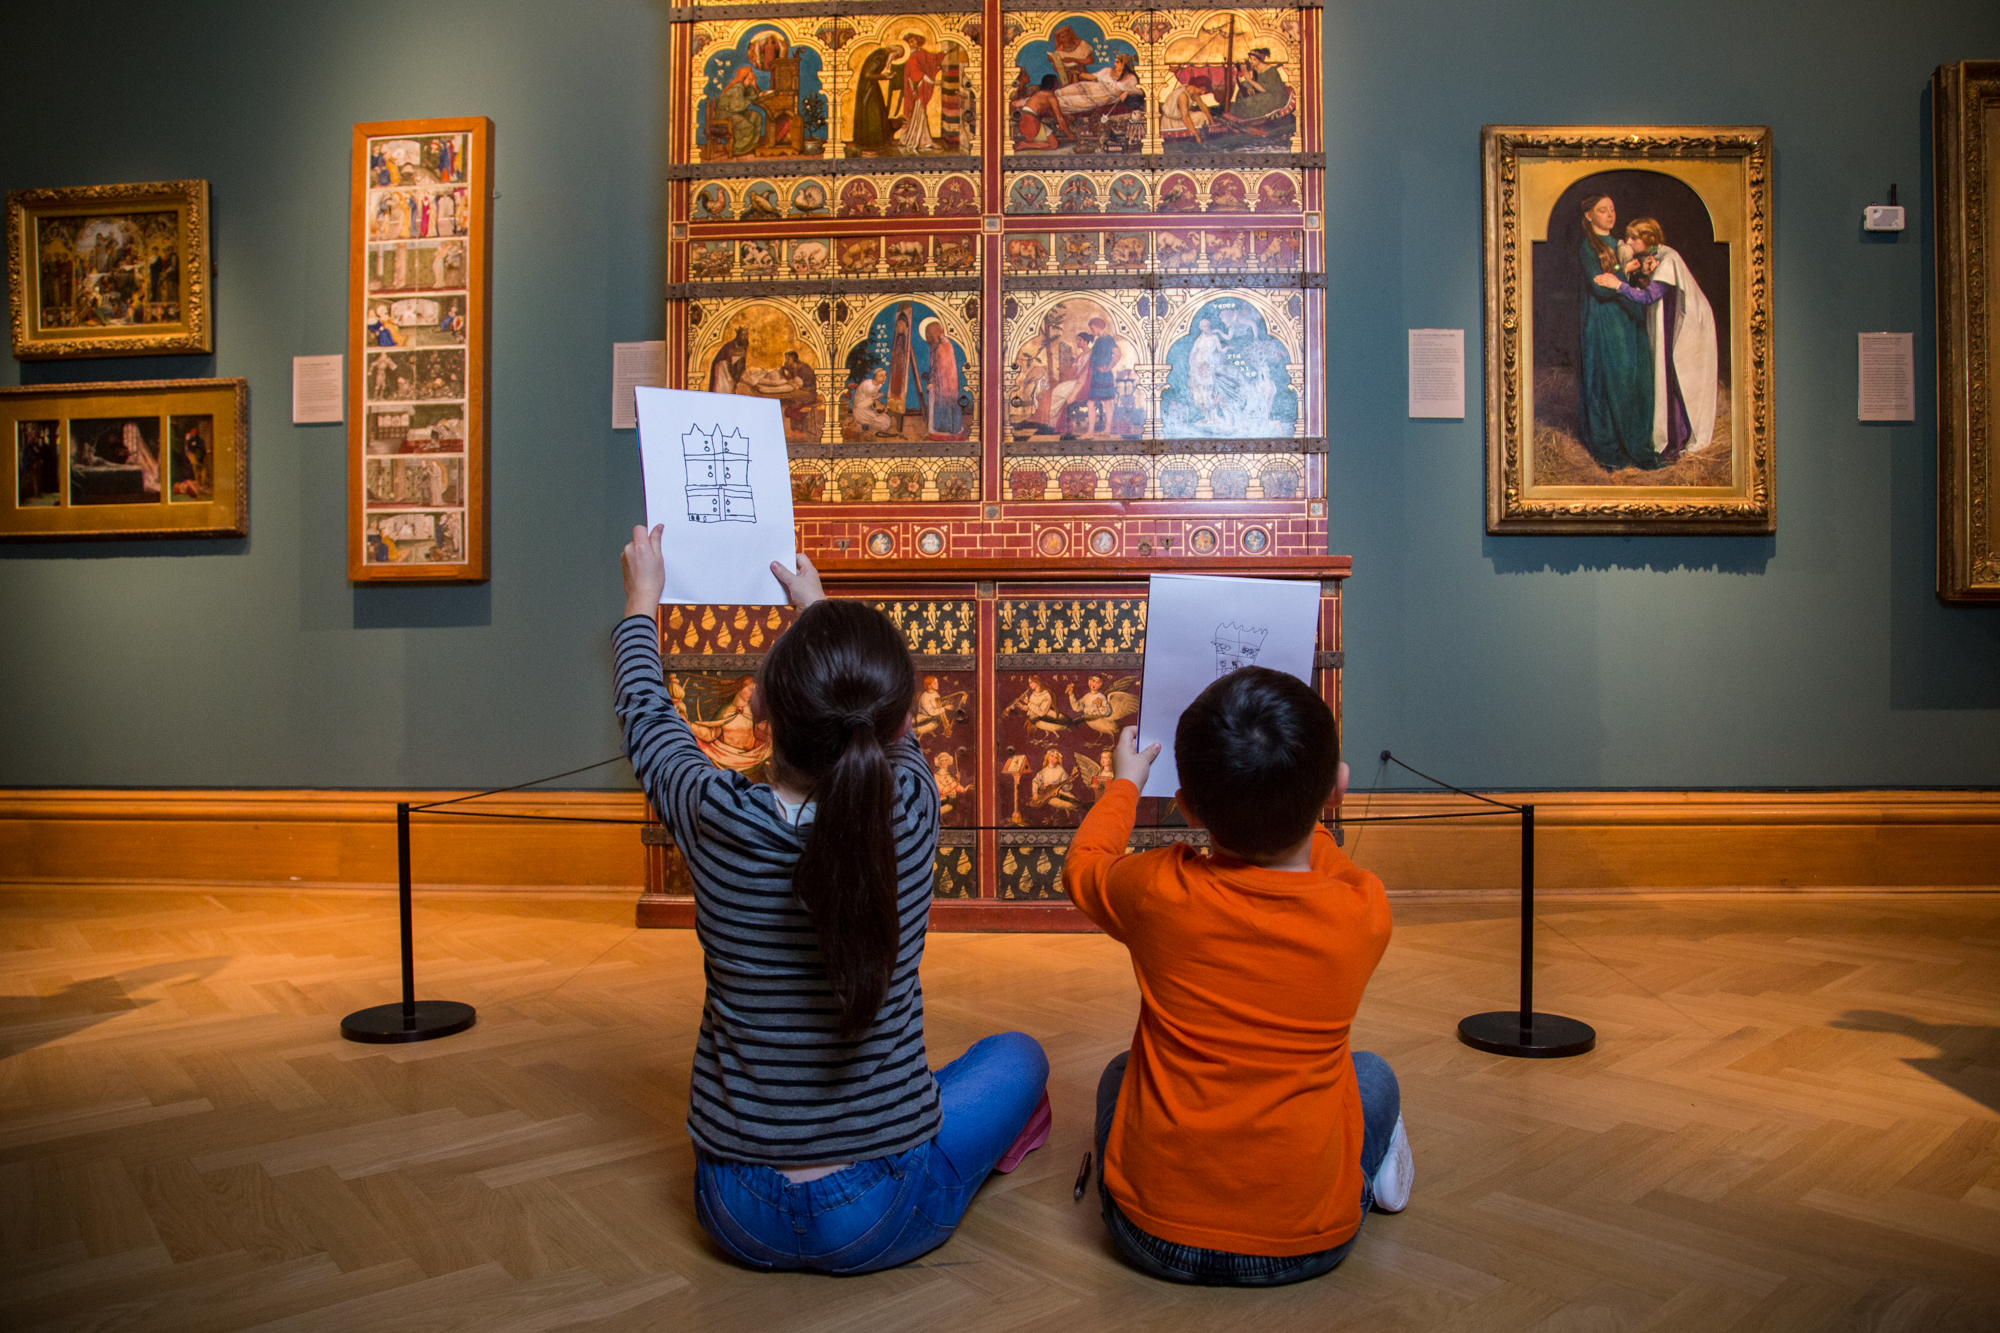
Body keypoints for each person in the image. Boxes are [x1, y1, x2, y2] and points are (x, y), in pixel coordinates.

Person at [616, 531, 1052, 1273]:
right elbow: (892, 732)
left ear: (762, 718)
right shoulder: (910, 809)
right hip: (878, 1210)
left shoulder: (713, 818)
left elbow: (648, 719)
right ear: (899, 725)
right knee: (1018, 1055)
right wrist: (818, 606)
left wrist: (641, 601)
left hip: (734, 1209)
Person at [1064, 670, 1410, 1286]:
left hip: (1148, 1236)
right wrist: (1310, 811)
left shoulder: (1159, 891)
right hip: (1307, 1243)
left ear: (1186, 805)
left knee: (1121, 1072)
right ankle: (1365, 1175)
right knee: (1373, 1076)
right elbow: (1326, 863)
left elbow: (1086, 864)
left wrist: (1123, 784)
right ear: (1336, 787)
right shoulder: (1364, 912)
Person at [1577, 195, 1668, 470]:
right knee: (1610, 380)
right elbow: (1600, 286)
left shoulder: (1621, 243)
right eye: (1602, 210)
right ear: (1590, 216)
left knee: (1634, 379)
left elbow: (1624, 280)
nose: (1609, 214)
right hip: (1605, 318)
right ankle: (1609, 449)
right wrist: (1622, 269)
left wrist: (1641, 274)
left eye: (1612, 209)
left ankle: (1636, 444)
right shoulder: (1588, 245)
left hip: (1627, 314)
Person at [1624, 216, 1718, 460]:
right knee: (1665, 377)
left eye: (1635, 238)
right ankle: (1669, 437)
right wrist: (1631, 275)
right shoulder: (1653, 256)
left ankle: (1677, 440)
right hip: (1669, 320)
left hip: (1687, 323)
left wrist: (1618, 285)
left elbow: (1648, 297)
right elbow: (1644, 284)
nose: (1629, 242)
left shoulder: (1669, 259)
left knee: (1677, 378)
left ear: (1648, 240)